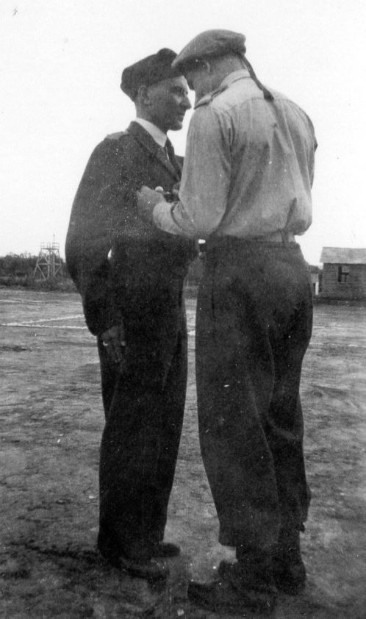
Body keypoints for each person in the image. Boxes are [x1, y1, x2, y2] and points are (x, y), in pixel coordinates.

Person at [137, 29, 317, 613]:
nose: (192, 93)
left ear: (211, 65)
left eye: (194, 80)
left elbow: (199, 216)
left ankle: (254, 574)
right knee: (280, 416)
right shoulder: (292, 109)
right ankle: (286, 559)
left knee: (234, 424)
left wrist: (154, 208)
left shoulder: (217, 116)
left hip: (239, 274)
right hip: (293, 270)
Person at [65, 48, 196, 582]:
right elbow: (83, 242)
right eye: (175, 90)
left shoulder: (177, 160)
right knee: (131, 429)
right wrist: (106, 319)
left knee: (162, 425)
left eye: (188, 90)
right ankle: (119, 542)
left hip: (169, 308)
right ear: (144, 94)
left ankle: (145, 533)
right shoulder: (115, 151)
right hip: (131, 312)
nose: (187, 99)